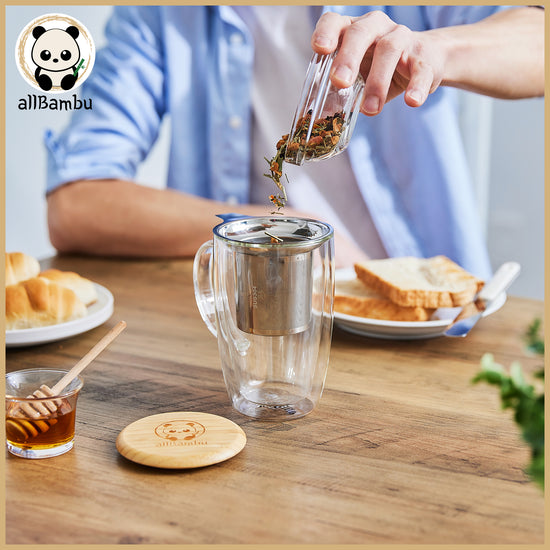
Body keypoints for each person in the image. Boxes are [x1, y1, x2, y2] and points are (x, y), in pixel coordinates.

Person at [45, 5, 544, 277]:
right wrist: (285, 226)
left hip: (434, 324)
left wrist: (436, 50)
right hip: (264, 325)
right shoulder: (160, 15)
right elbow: (76, 205)